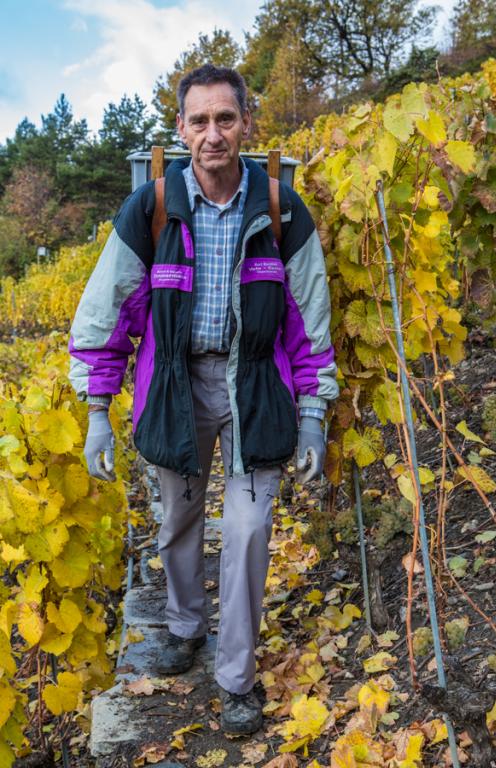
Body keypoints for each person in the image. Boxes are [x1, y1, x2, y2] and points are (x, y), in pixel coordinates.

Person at [69, 64, 338, 735]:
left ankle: (236, 677)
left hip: (257, 387)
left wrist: (312, 414)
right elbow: (107, 311)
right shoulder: (152, 209)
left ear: (246, 123)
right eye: (200, 120)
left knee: (247, 532)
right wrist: (97, 412)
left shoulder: (281, 210)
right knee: (179, 520)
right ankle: (186, 624)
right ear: (181, 129)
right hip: (175, 385)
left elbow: (309, 318)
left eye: (225, 118)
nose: (213, 133)